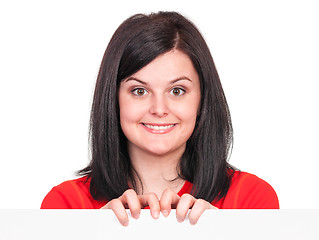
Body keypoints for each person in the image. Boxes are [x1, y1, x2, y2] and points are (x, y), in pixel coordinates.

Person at [41, 11, 279, 226]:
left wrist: (225, 231)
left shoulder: (251, 199)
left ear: (202, 99)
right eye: (139, 91)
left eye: (177, 91)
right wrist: (92, 231)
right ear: (113, 100)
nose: (159, 108)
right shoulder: (66, 204)